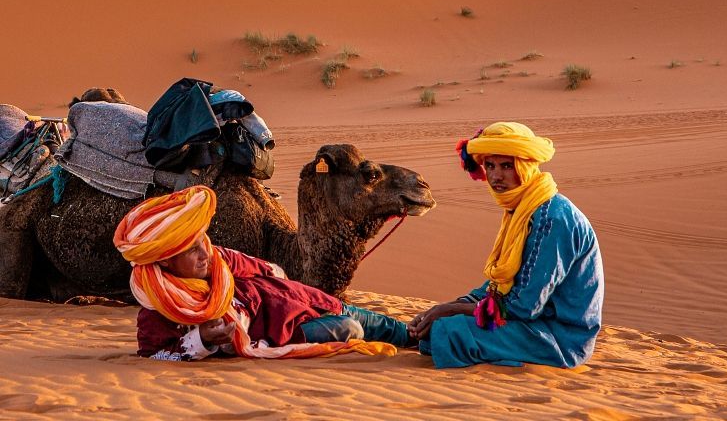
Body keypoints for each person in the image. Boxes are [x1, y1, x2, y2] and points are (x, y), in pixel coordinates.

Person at [113, 185, 409, 361]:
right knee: (351, 329)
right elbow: (156, 355)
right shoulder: (160, 307)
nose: (205, 254)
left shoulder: (221, 259)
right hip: (286, 331)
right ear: (164, 261)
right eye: (191, 250)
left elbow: (271, 270)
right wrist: (203, 338)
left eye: (203, 241)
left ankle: (430, 335)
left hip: (301, 299)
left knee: (393, 328)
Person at [408, 122, 603, 368]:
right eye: (490, 165)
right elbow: (500, 286)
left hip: (560, 338)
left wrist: (451, 310)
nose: (496, 176)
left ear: (526, 167)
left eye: (506, 166)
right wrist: (447, 307)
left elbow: (525, 306)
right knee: (435, 328)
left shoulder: (551, 219)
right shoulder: (523, 209)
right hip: (534, 325)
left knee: (449, 332)